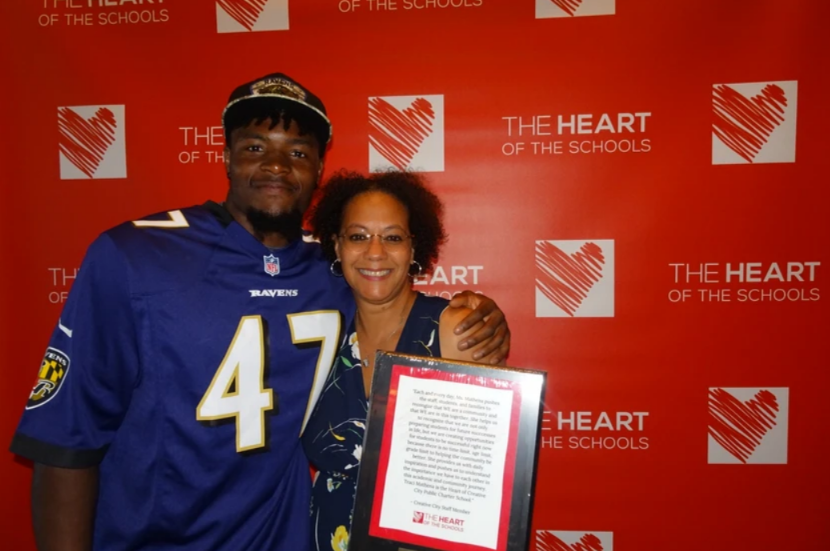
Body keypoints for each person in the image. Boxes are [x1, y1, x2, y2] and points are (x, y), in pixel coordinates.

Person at [8, 72, 511, 551]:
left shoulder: (331, 269)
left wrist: (480, 316)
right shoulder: (134, 257)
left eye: (297, 152)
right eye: (255, 147)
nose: (276, 166)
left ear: (319, 168)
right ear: (226, 156)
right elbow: (66, 444)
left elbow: (399, 306)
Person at [301, 169, 505, 551]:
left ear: (414, 248)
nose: (374, 252)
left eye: (392, 237)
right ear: (337, 245)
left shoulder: (455, 330)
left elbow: (480, 478)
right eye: (358, 236)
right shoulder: (320, 335)